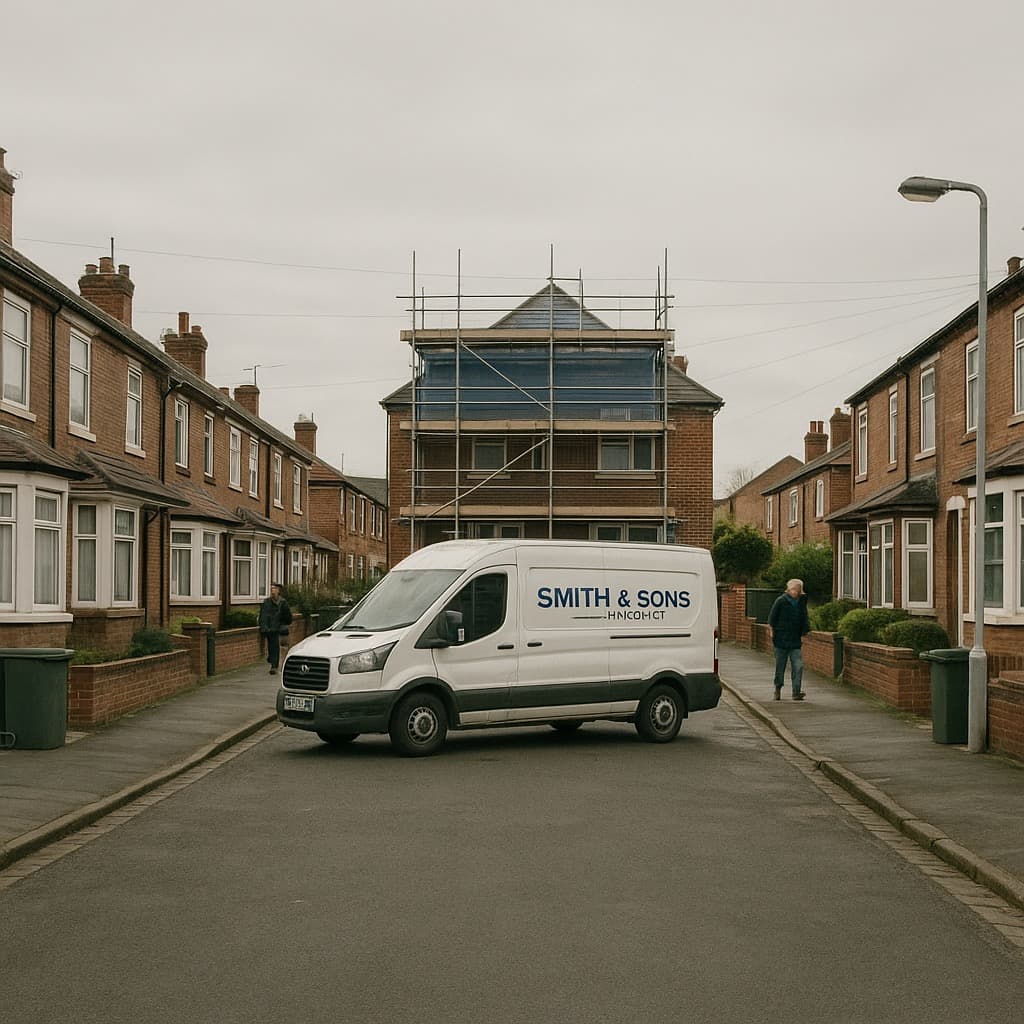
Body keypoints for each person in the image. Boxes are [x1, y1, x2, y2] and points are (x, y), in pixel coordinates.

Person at [767, 578, 811, 701]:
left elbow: (804, 617)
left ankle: (796, 691)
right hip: (780, 640)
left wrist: (805, 630)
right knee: (780, 666)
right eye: (793, 589)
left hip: (795, 640)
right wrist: (772, 632)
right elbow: (772, 619)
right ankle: (778, 688)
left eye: (797, 590)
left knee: (798, 666)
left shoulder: (801, 602)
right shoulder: (781, 601)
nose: (795, 592)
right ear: (789, 589)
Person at [258, 583, 293, 675]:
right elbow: (263, 615)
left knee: (278, 647)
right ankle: (272, 661)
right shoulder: (266, 602)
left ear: (279, 591)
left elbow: (288, 617)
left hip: (279, 628)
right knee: (272, 647)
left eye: (274, 589)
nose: (272, 591)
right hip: (270, 629)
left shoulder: (283, 602)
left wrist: (283, 623)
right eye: (271, 589)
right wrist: (264, 627)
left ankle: (275, 666)